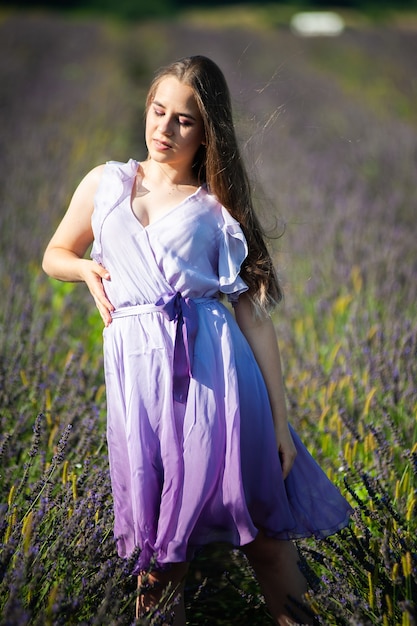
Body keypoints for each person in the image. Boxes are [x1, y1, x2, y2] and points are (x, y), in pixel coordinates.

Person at [43, 55, 352, 625]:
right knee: (158, 557)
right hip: (140, 388)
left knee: (261, 536)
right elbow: (55, 253)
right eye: (158, 112)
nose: (165, 128)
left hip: (219, 384)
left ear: (208, 131)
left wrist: (282, 425)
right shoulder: (106, 182)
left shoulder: (217, 206)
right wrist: (85, 270)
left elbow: (254, 318)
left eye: (184, 120)